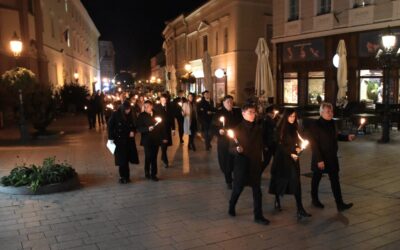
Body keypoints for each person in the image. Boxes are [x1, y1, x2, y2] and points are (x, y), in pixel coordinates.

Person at [309, 102, 355, 212]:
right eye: (328, 111)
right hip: (320, 157)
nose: (330, 113)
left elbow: (336, 136)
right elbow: (314, 144)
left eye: (331, 111)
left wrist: (347, 137)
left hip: (332, 157)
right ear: (321, 112)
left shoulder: (333, 123)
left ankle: (340, 204)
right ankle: (315, 199)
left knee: (335, 180)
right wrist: (319, 160)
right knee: (316, 178)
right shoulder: (316, 125)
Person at [228, 103, 269, 225]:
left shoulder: (258, 128)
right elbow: (230, 148)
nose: (253, 114)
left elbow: (264, 143)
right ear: (243, 113)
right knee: (238, 188)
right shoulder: (237, 129)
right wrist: (237, 150)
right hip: (242, 164)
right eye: (250, 112)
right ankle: (231, 205)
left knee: (257, 191)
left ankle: (258, 215)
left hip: (255, 164)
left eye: (254, 112)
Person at [269, 109, 311, 219]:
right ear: (286, 117)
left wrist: (299, 149)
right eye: (291, 116)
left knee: (296, 182)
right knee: (280, 180)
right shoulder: (280, 129)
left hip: (293, 160)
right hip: (282, 159)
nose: (292, 118)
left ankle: (300, 209)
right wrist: (291, 153)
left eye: (294, 116)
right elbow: (280, 145)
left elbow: (296, 143)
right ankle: (277, 200)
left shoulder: (294, 128)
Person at [212, 95, 242, 189]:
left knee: (236, 160)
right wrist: (219, 131)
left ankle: (237, 177)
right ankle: (228, 180)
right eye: (228, 102)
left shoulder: (237, 112)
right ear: (224, 103)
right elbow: (213, 127)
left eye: (231, 102)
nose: (230, 104)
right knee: (227, 161)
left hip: (236, 139)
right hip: (225, 142)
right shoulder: (219, 113)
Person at [107, 100, 139, 184]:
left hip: (129, 141)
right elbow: (110, 126)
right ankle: (122, 177)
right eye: (126, 109)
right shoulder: (116, 114)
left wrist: (133, 131)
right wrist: (110, 139)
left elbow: (135, 125)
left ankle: (127, 177)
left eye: (129, 109)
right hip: (119, 141)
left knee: (127, 159)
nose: (128, 111)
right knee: (122, 160)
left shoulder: (131, 114)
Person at [136, 100, 167, 181]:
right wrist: (147, 129)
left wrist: (164, 137)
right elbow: (138, 128)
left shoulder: (157, 114)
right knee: (148, 156)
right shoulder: (142, 116)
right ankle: (147, 172)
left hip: (156, 139)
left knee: (154, 157)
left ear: (151, 106)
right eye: (145, 107)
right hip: (147, 140)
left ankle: (154, 174)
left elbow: (162, 126)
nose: (146, 108)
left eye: (148, 106)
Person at [154, 93, 175, 168]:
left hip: (167, 129)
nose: (164, 101)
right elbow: (154, 117)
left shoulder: (169, 107)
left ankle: (163, 156)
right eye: (162, 99)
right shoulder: (156, 107)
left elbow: (172, 118)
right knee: (163, 144)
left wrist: (173, 129)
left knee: (165, 145)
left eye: (165, 99)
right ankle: (165, 159)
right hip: (160, 129)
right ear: (160, 100)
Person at [261, 105, 279, 173]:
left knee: (277, 159)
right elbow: (263, 134)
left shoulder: (273, 119)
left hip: (274, 143)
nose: (274, 113)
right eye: (273, 112)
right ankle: (257, 173)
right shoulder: (266, 120)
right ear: (269, 113)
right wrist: (264, 145)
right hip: (268, 144)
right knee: (266, 161)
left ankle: (276, 172)